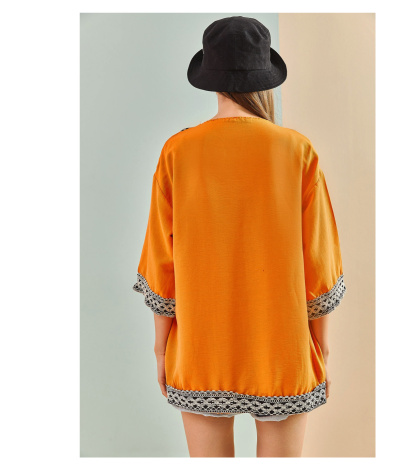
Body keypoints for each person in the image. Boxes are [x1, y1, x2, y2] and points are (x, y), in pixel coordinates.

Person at [132, 16, 347, 458]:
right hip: (282, 348)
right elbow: (320, 266)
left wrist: (161, 349)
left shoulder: (178, 151)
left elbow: (160, 264)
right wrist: (321, 347)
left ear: (211, 78)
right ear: (264, 76)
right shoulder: (297, 150)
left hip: (201, 347)